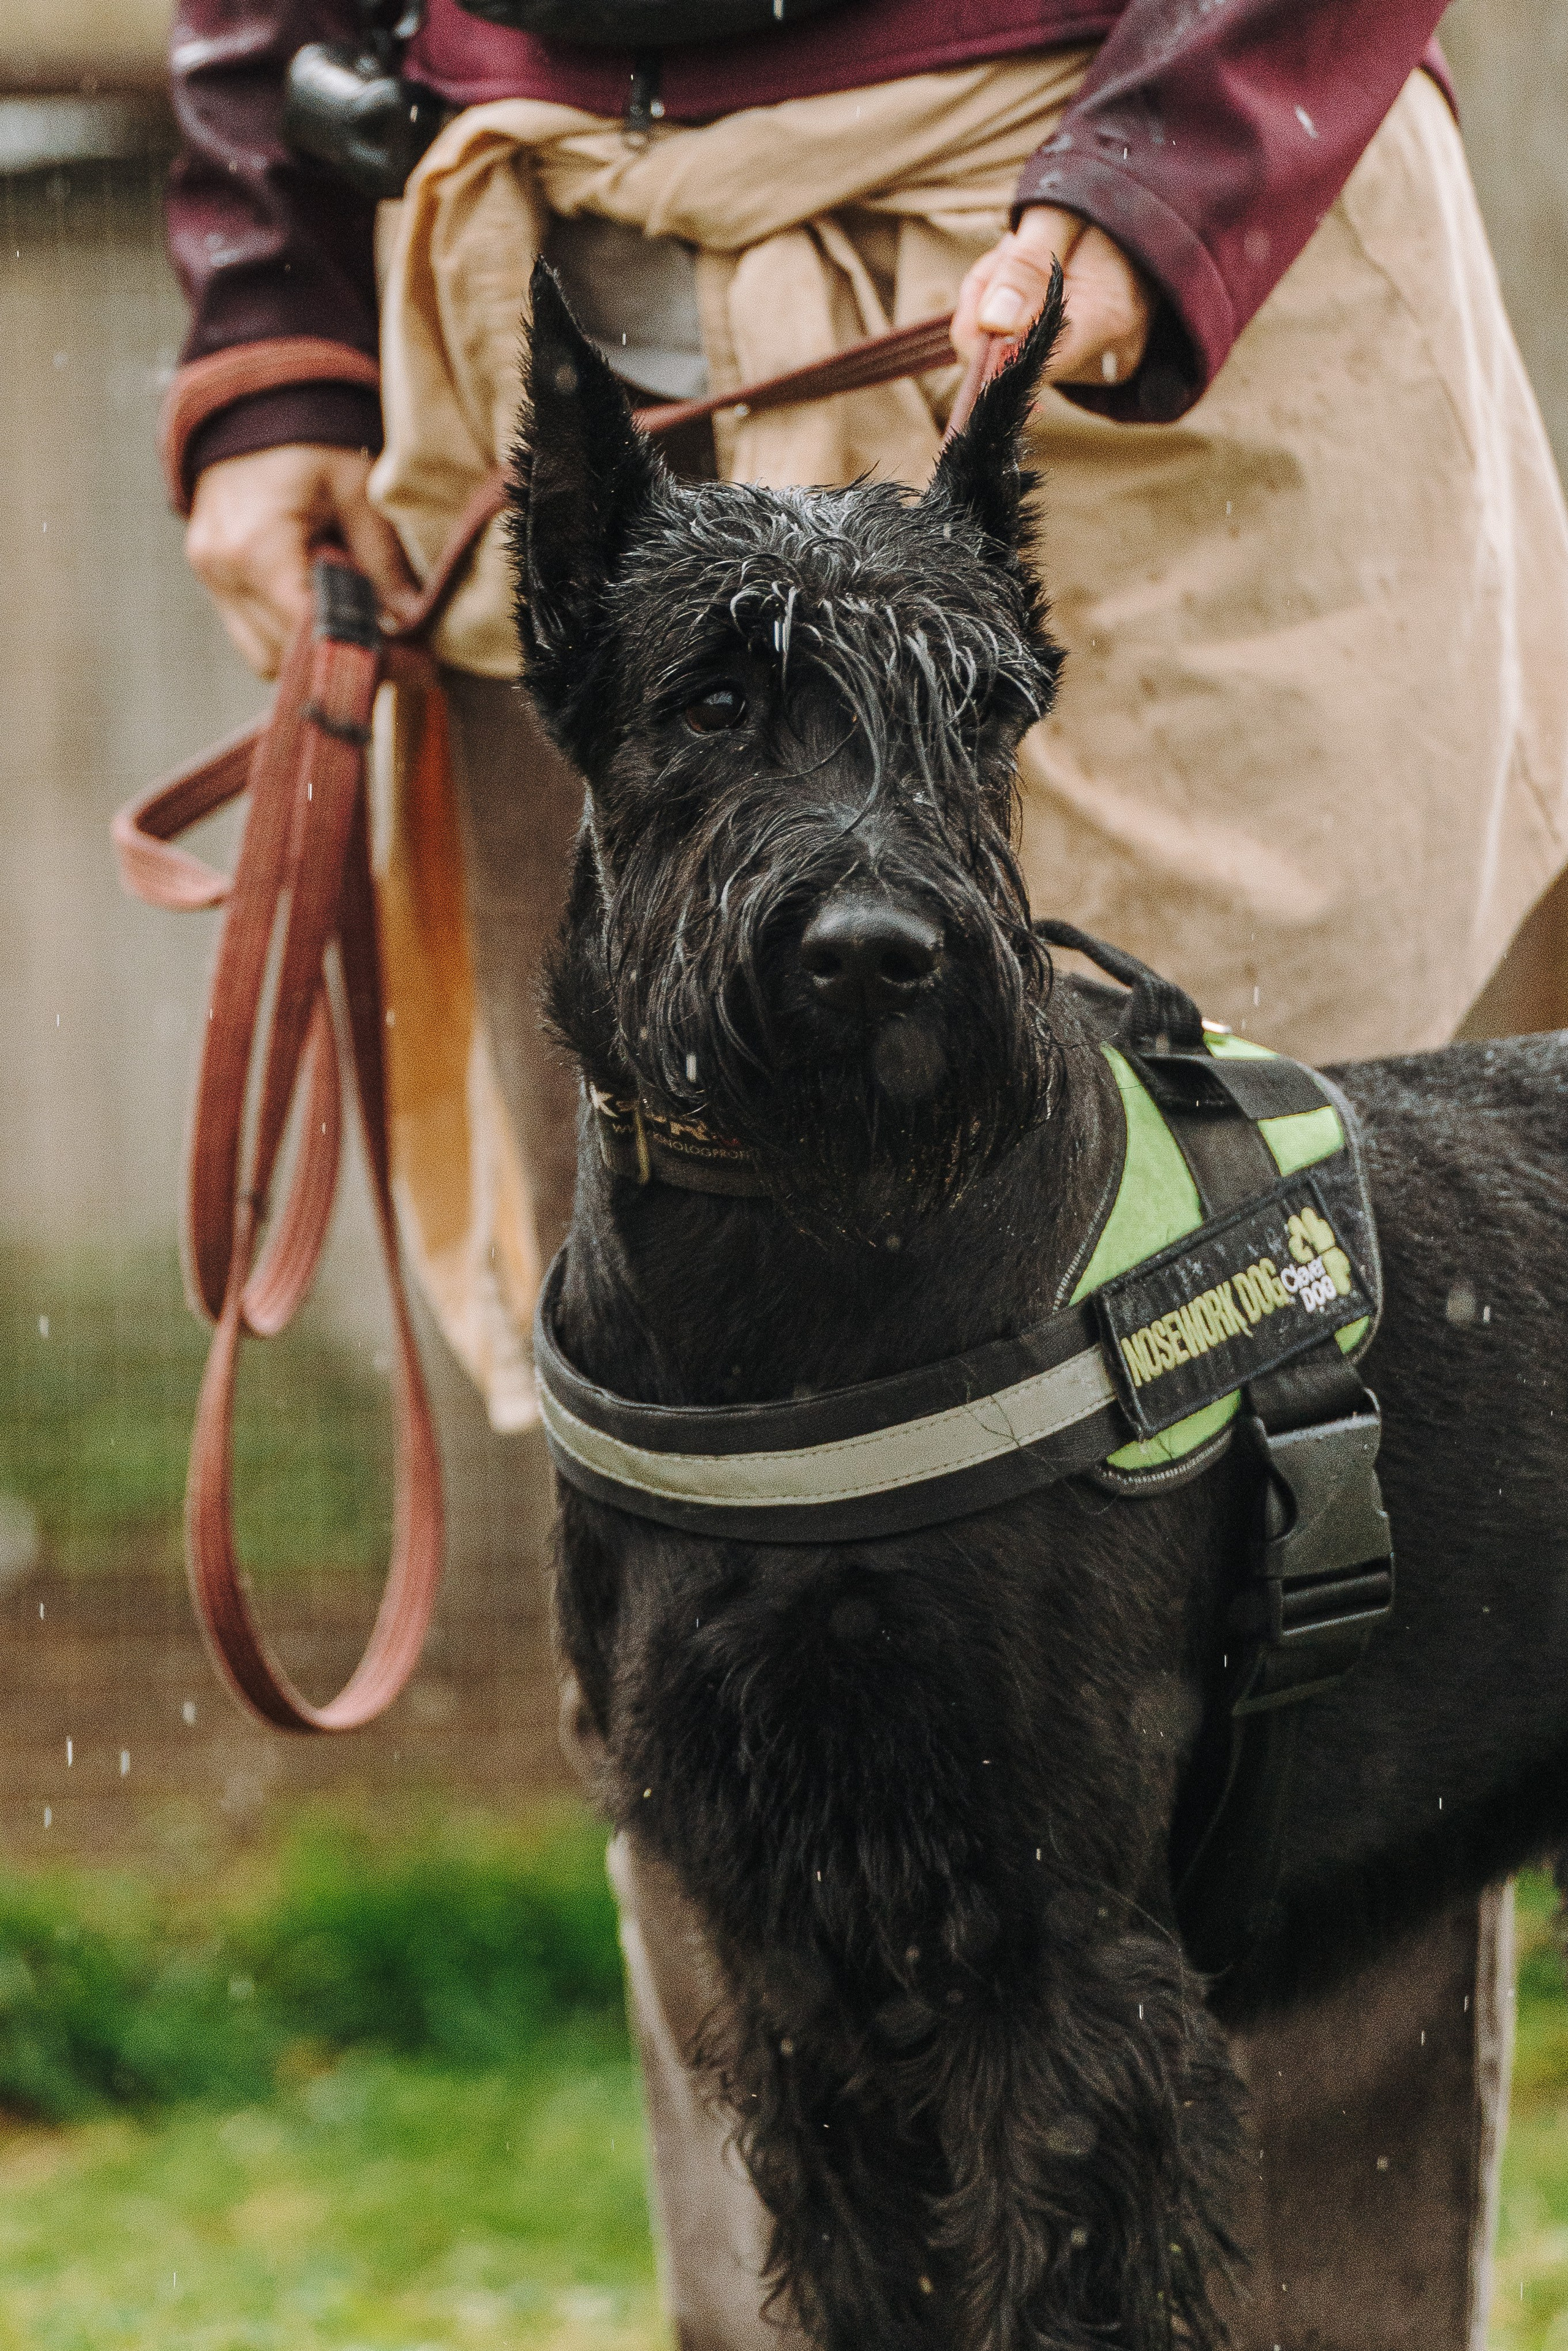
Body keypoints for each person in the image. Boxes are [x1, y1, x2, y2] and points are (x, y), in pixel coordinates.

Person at [162, 4, 1568, 2342]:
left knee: (1318, 1595)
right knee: (742, 1661)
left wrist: (1174, 162)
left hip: (1141, 288)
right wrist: (272, 330)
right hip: (565, 262)